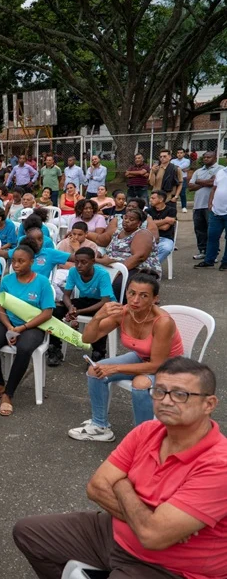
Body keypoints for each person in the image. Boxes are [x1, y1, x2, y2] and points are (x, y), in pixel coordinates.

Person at [14, 357, 227, 579]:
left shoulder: (219, 465)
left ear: (209, 404)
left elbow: (152, 537)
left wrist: (121, 485)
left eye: (180, 394)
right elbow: (96, 487)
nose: (166, 400)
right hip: (113, 534)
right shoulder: (147, 430)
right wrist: (148, 522)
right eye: (159, 391)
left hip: (171, 567)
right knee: (28, 533)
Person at [67, 274, 183, 442]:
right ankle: (100, 426)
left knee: (140, 383)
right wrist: (98, 316)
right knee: (95, 370)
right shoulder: (123, 313)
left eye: (144, 295)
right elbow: (88, 338)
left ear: (155, 299)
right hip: (142, 358)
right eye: (132, 293)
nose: (135, 300)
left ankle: (145, 438)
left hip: (170, 366)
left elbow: (156, 365)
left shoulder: (163, 322)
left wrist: (114, 368)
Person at [0, 246, 54, 416]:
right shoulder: (7, 280)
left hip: (33, 326)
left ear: (32, 262)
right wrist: (9, 327)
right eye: (13, 261)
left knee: (24, 348)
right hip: (10, 323)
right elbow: (1, 306)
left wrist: (23, 328)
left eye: (21, 261)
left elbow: (47, 313)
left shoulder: (42, 282)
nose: (16, 265)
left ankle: (8, 393)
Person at [47, 247, 114, 367]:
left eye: (84, 262)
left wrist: (78, 311)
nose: (79, 265)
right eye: (77, 261)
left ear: (93, 262)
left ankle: (98, 353)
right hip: (85, 300)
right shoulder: (73, 271)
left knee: (101, 318)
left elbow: (105, 301)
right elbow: (66, 295)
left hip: (102, 303)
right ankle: (54, 348)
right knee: (56, 310)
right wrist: (70, 307)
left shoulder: (102, 274)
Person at [95, 209, 161, 291]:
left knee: (117, 284)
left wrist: (119, 271)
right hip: (110, 264)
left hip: (137, 268)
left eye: (131, 219)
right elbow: (99, 240)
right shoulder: (117, 231)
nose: (126, 221)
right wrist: (85, 234)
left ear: (139, 223)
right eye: (125, 218)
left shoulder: (143, 234)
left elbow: (139, 257)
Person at [188, 151, 220, 260]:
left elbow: (214, 183)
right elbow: (190, 187)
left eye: (209, 157)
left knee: (211, 231)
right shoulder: (198, 171)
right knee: (200, 230)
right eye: (204, 157)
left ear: (215, 158)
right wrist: (206, 182)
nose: (206, 159)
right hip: (198, 205)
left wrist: (199, 181)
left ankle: (212, 254)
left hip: (211, 205)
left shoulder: (220, 169)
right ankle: (203, 251)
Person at [194, 164, 227, 270]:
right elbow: (214, 188)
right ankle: (209, 260)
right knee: (212, 237)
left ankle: (225, 262)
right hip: (216, 211)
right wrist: (210, 203)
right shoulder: (221, 172)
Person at [146, 190, 177, 263]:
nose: (150, 200)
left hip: (166, 238)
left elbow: (165, 228)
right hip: (150, 237)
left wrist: (152, 224)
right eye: (150, 198)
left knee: (166, 249)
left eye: (153, 198)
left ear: (161, 199)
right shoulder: (148, 211)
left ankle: (152, 265)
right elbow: (146, 225)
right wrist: (165, 220)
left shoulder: (171, 210)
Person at [174, 147, 191, 212]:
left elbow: (179, 167)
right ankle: (173, 207)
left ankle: (184, 207)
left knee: (182, 193)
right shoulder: (173, 161)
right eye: (178, 153)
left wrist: (177, 167)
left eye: (181, 153)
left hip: (183, 178)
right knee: (173, 192)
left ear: (184, 154)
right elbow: (174, 168)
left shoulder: (187, 160)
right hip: (174, 178)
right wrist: (181, 169)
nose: (179, 154)